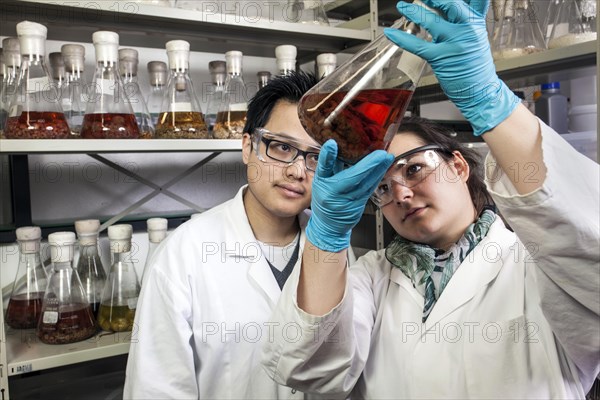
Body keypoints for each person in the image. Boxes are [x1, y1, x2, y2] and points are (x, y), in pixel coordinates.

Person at [262, 0, 600, 398]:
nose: (401, 193)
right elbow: (305, 369)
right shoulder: (372, 277)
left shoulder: (534, 264)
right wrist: (326, 235)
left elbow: (587, 246)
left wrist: (490, 103)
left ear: (458, 166)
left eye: (414, 168)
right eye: (381, 188)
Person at [124, 71, 330, 399]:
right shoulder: (184, 254)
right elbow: (157, 389)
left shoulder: (334, 252)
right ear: (248, 146)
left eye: (315, 157)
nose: (296, 170)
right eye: (281, 147)